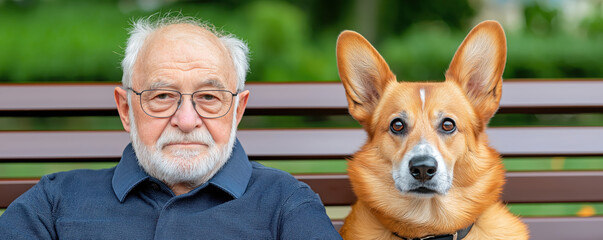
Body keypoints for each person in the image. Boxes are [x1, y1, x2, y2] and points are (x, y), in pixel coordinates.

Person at [0, 15, 342, 239]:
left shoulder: (287, 204)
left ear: (237, 110)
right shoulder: (55, 202)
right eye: (162, 95)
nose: (187, 120)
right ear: (126, 109)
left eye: (209, 97)